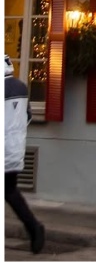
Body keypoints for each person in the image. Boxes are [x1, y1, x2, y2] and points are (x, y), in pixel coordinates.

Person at [5, 55, 44, 253]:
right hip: (14, 150)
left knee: (10, 193)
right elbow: (27, 117)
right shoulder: (21, 87)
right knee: (10, 192)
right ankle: (34, 228)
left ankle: (35, 228)